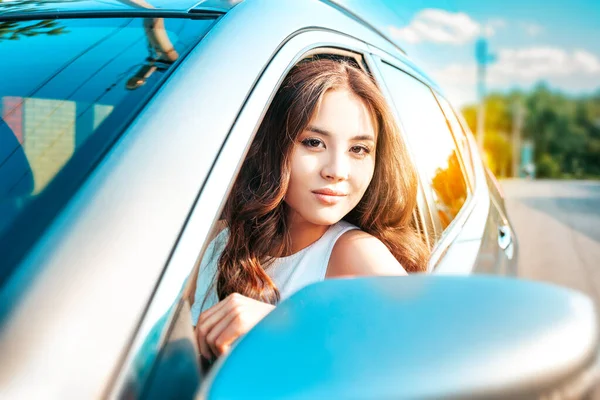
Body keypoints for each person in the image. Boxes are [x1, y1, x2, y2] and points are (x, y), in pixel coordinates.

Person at [191, 57, 430, 360]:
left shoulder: (355, 253)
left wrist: (283, 323)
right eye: (314, 142)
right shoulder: (220, 237)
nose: (337, 170)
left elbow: (426, 349)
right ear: (274, 147)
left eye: (358, 149)